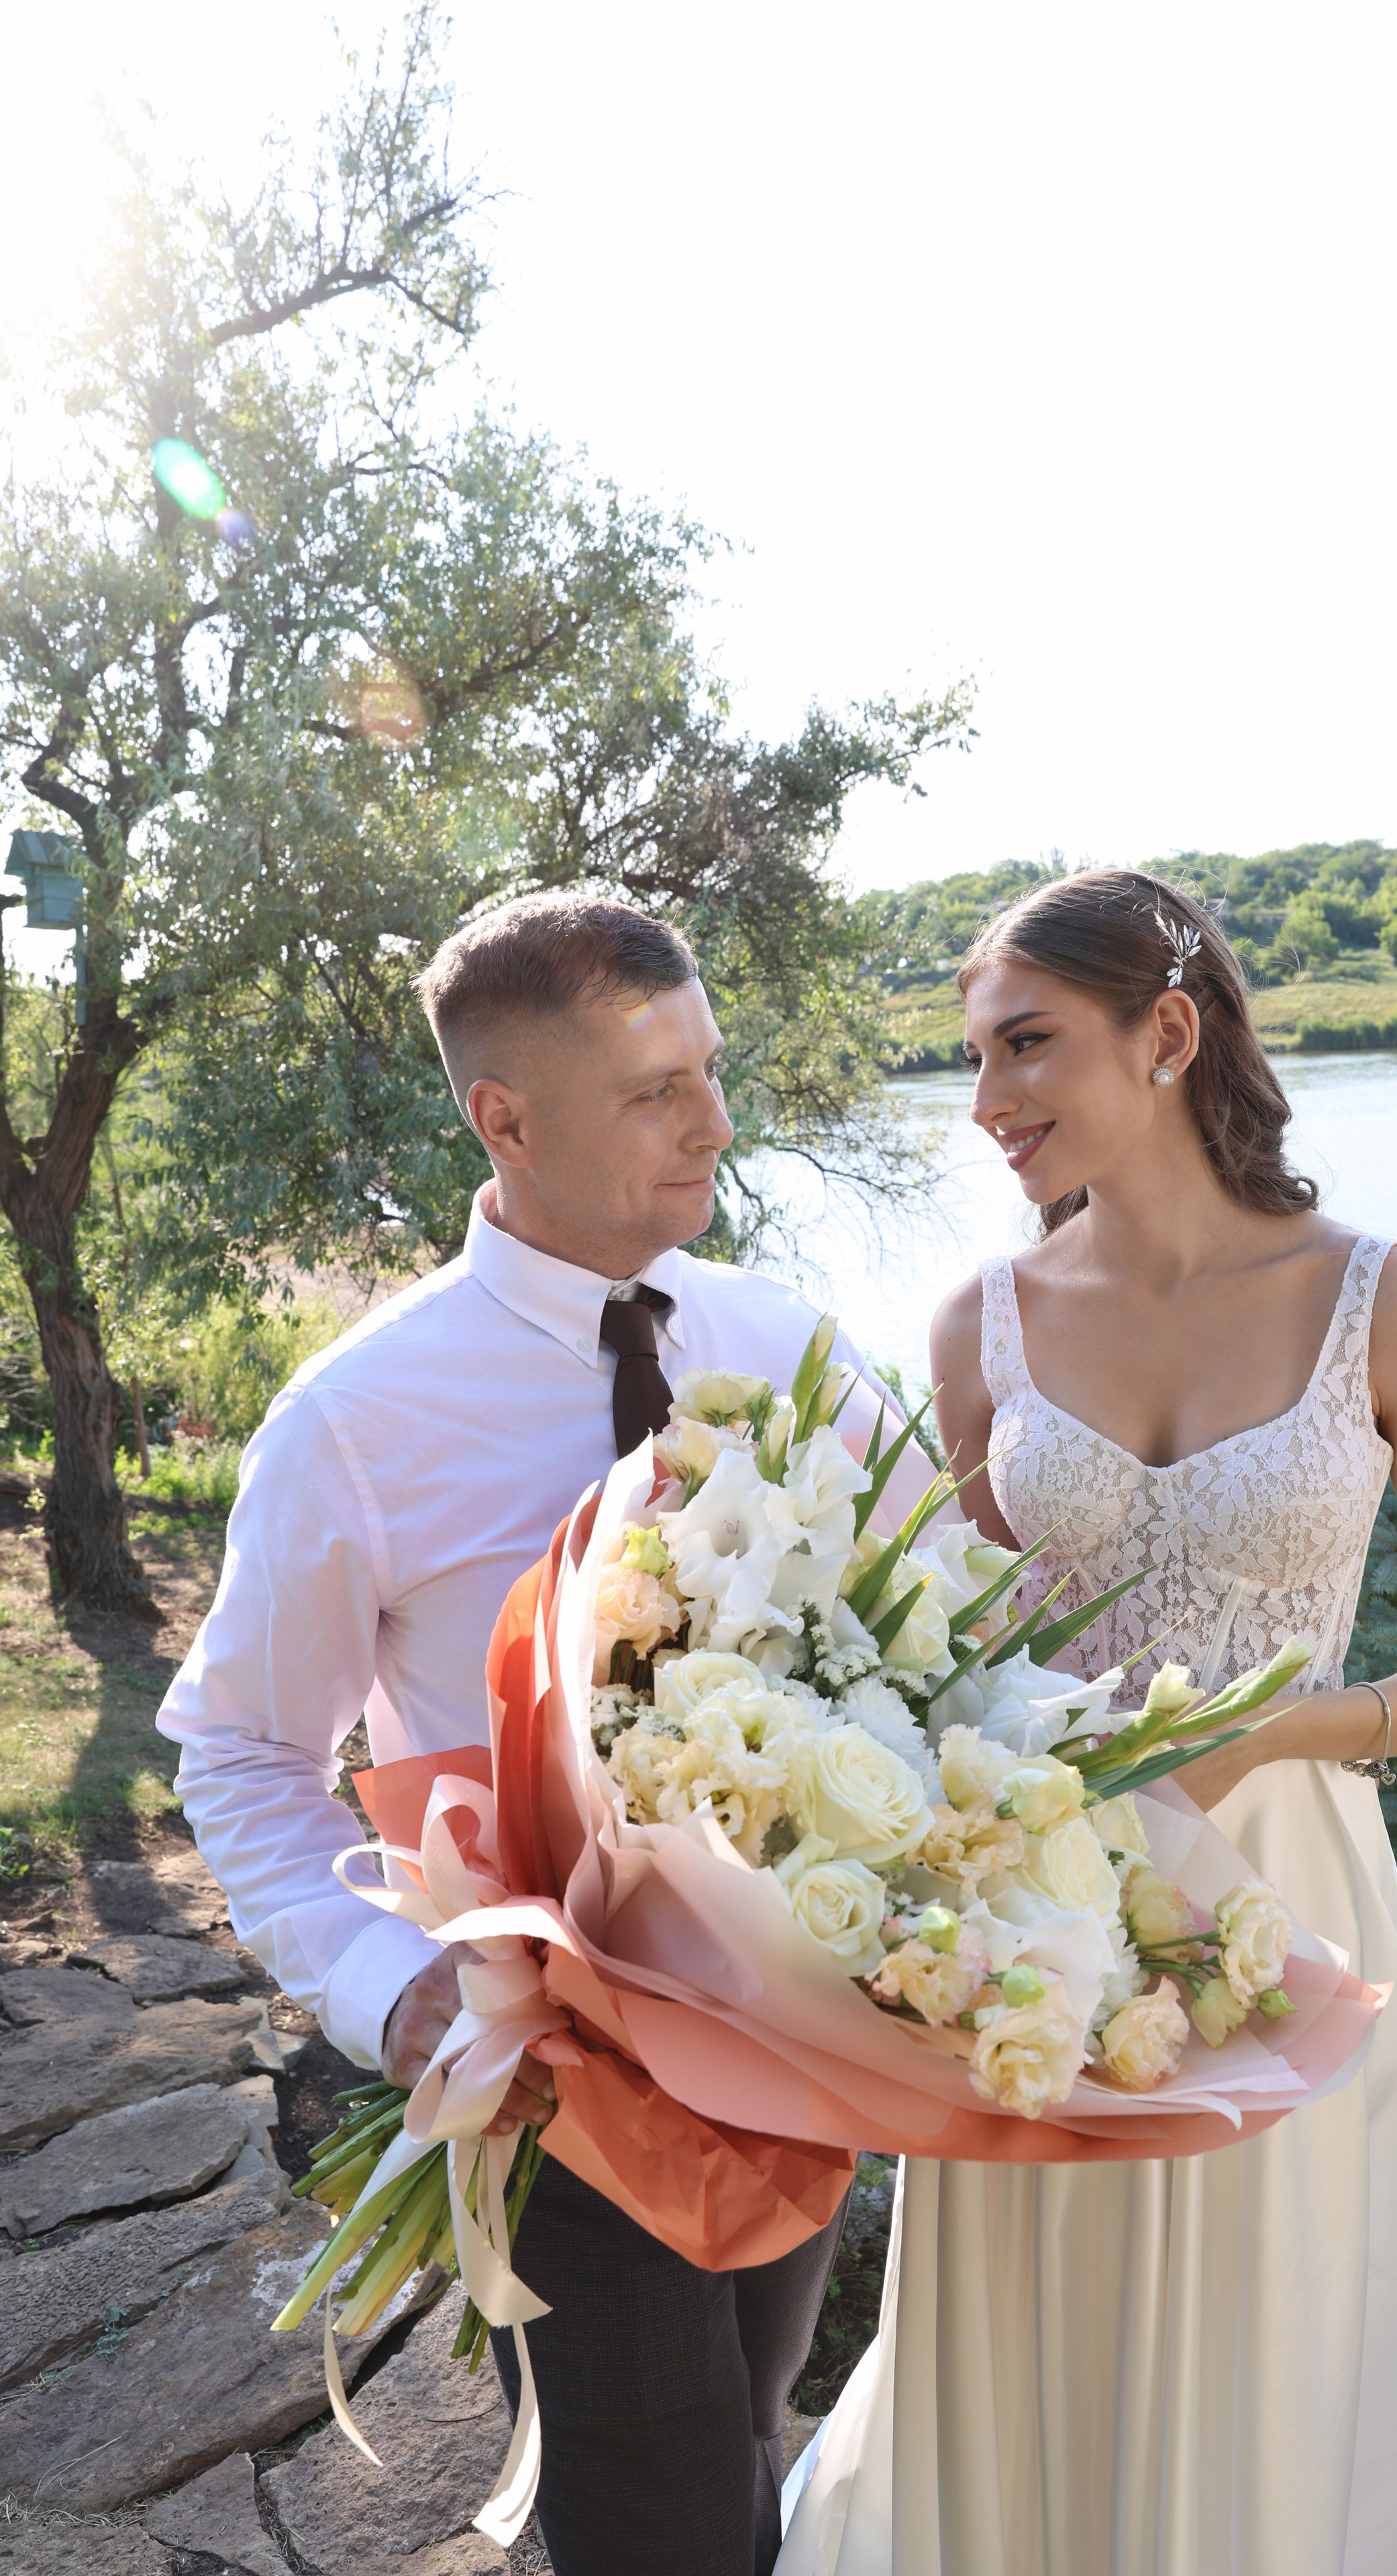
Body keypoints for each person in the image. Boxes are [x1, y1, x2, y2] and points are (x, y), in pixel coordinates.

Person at [158, 890, 934, 2576]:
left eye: (711, 1073)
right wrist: (392, 1988)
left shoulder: (785, 1345)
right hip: (558, 2083)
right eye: (656, 1089)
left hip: (794, 2051)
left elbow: (935, 1618)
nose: (714, 1124)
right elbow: (238, 1754)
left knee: (744, 2421)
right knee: (643, 2503)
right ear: (500, 1118)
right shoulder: (354, 1422)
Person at [779, 870, 1397, 2576]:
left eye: (1026, 1048)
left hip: (1292, 1903)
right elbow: (950, 1659)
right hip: (1039, 1908)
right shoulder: (983, 1325)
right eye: (973, 1059)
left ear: (1168, 1035)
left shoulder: (1378, 1299)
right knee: (1035, 2336)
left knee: (1268, 2349)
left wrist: (1273, 1732)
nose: (986, 1104)